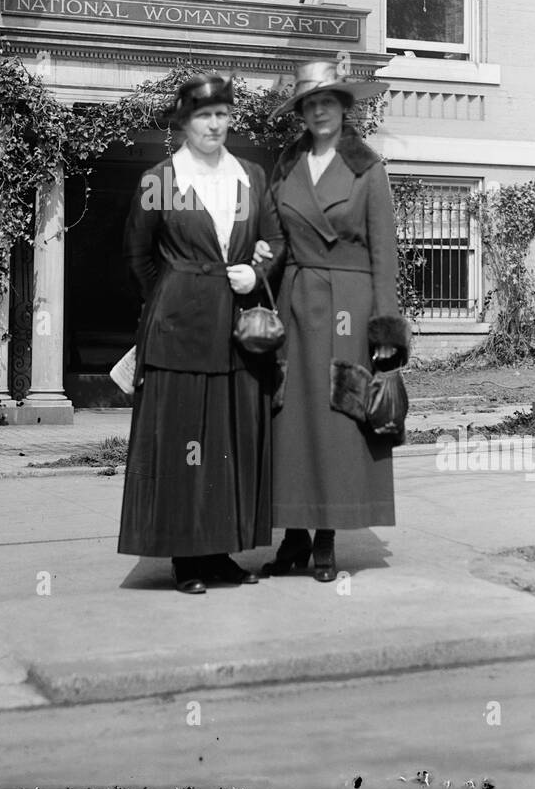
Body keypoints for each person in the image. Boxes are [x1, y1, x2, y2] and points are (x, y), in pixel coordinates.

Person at [118, 73, 285, 594]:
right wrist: (175, 294)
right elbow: (138, 257)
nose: (215, 124)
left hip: (235, 333)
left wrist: (256, 273)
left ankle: (218, 552)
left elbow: (275, 240)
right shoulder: (159, 180)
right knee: (182, 442)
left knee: (226, 441)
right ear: (184, 122)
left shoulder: (252, 176)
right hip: (179, 333)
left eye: (222, 114)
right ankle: (186, 558)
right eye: (203, 116)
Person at [258, 60, 411, 583]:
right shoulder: (285, 166)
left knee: (338, 418)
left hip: (351, 304)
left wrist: (385, 329)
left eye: (328, 101)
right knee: (292, 419)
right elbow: (274, 241)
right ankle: (294, 533)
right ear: (301, 112)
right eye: (309, 103)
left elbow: (384, 254)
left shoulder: (369, 169)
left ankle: (326, 536)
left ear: (346, 108)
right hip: (296, 301)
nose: (319, 110)